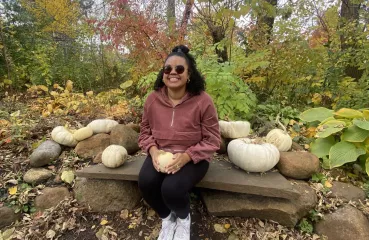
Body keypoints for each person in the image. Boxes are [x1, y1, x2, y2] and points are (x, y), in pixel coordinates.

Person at [137, 45, 221, 240]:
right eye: (168, 69)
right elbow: (144, 132)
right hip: (161, 152)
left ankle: (184, 219)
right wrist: (153, 151)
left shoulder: (203, 101)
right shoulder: (152, 100)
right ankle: (167, 218)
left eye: (179, 69)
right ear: (163, 73)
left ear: (189, 74)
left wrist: (186, 157)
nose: (173, 73)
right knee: (146, 182)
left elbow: (213, 139)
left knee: (171, 188)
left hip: (194, 157)